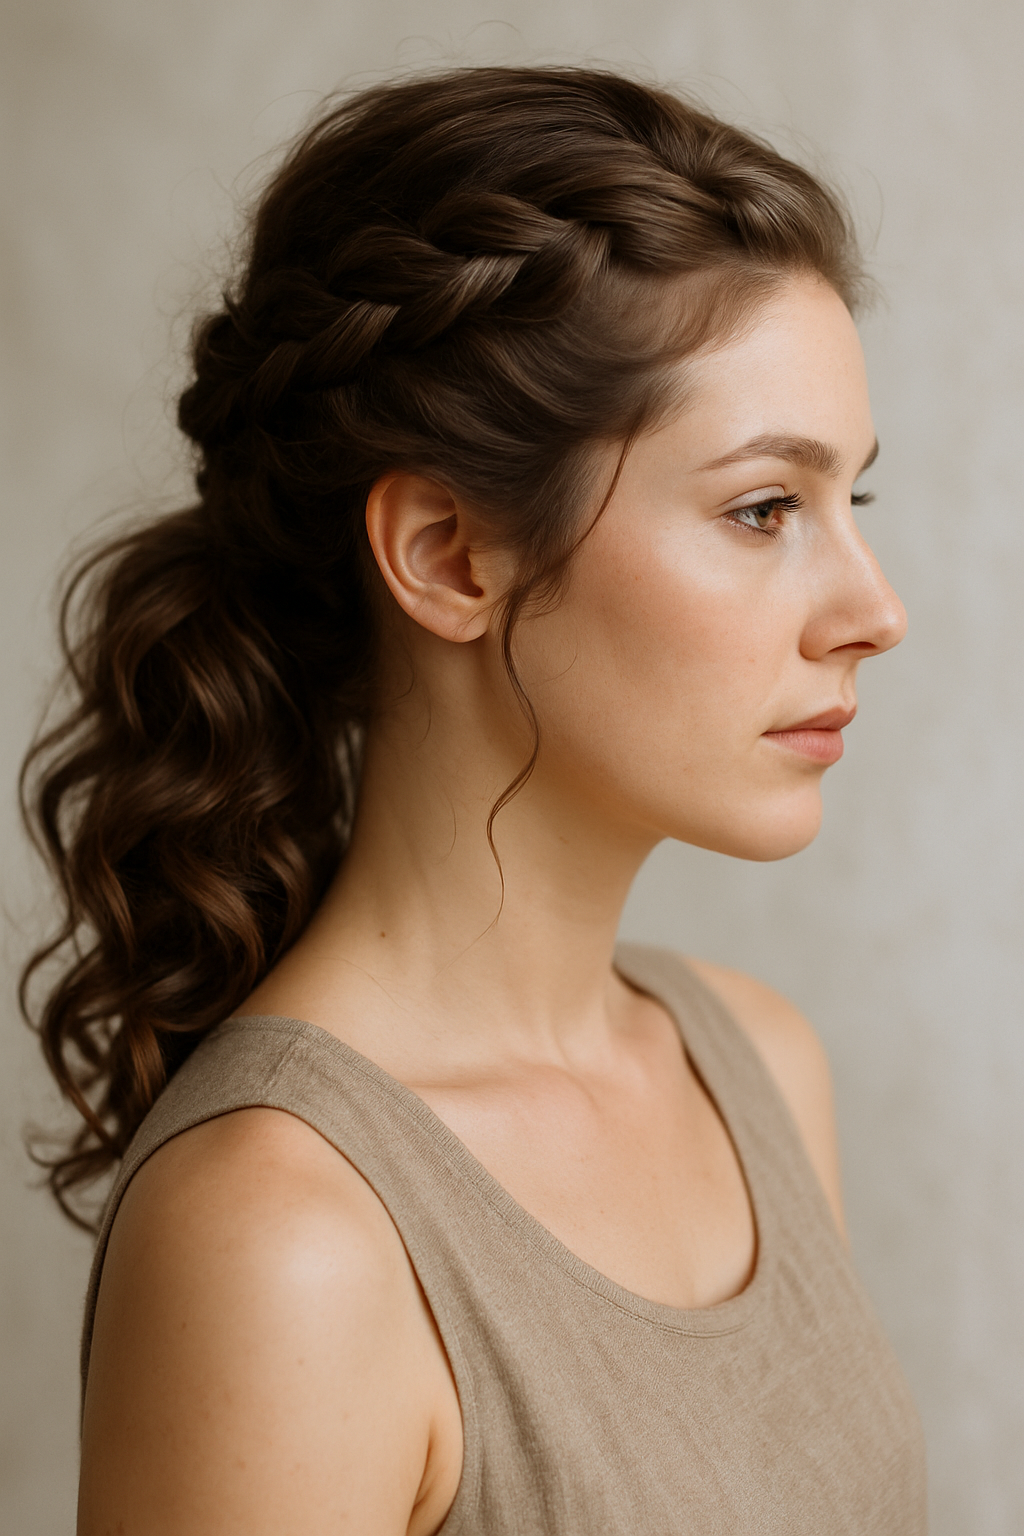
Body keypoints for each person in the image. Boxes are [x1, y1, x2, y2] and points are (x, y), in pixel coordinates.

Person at [22, 65, 926, 1534]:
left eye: (852, 504)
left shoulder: (759, 1070)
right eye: (765, 508)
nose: (874, 610)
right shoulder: (283, 1236)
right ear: (447, 555)